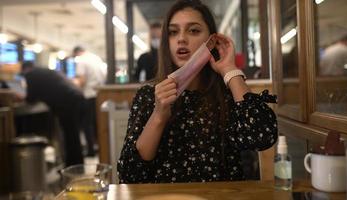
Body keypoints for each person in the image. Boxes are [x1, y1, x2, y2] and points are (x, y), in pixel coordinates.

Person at [117, 0, 278, 183]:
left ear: (212, 40)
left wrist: (229, 69)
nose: (181, 39)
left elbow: (262, 137)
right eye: (173, 32)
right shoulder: (148, 95)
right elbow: (129, 174)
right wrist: (159, 114)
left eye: (193, 30)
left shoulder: (229, 95)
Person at [20, 61, 84, 166]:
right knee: (73, 135)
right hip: (76, 97)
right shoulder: (45, 71)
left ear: (25, 69)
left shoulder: (31, 74)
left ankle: (72, 165)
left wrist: (18, 96)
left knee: (70, 136)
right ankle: (76, 164)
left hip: (67, 101)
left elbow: (30, 98)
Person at [73, 46, 106, 156]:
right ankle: (101, 148)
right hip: (99, 95)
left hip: (88, 95)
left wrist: (73, 84)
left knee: (87, 125)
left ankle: (91, 151)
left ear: (77, 53)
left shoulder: (81, 60)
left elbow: (81, 81)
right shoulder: (96, 58)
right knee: (97, 123)